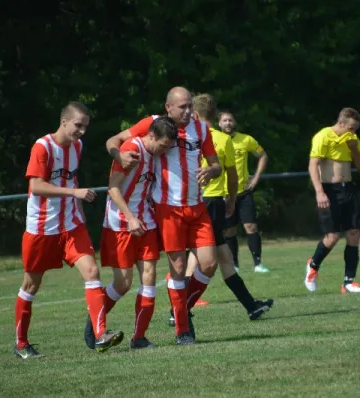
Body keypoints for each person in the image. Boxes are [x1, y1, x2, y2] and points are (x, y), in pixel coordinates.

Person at [106, 87, 221, 345]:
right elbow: (113, 140)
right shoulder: (154, 124)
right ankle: (183, 330)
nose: (188, 111)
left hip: (197, 206)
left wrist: (211, 171)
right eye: (182, 107)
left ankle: (180, 309)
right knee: (178, 269)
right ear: (168, 107)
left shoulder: (201, 129)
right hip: (168, 208)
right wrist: (119, 154)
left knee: (209, 264)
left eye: (190, 106)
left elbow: (216, 164)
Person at [14, 101, 122, 359]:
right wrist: (75, 193)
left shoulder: (78, 146)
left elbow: (70, 178)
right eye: (78, 125)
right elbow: (37, 186)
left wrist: (79, 213)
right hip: (42, 227)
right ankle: (20, 344)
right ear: (64, 121)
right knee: (31, 285)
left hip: (71, 225)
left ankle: (100, 336)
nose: (82, 131)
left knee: (92, 271)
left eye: (85, 126)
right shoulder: (43, 147)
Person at [83, 116, 178, 350]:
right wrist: (131, 217)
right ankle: (95, 325)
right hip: (121, 223)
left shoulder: (155, 152)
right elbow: (113, 189)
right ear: (152, 136)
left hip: (145, 222)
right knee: (123, 283)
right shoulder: (131, 150)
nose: (165, 151)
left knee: (149, 276)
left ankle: (139, 338)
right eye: (163, 146)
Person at [177, 93, 273, 320]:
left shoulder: (186, 137)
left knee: (223, 257)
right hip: (212, 203)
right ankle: (179, 310)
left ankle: (251, 306)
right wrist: (231, 200)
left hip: (195, 201)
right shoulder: (222, 139)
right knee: (204, 258)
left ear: (196, 114)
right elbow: (232, 176)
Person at [304, 108, 360, 294]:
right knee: (332, 237)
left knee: (354, 233)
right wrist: (319, 192)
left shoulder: (353, 140)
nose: (353, 132)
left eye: (356, 129)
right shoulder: (324, 135)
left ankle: (348, 282)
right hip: (329, 191)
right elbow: (313, 165)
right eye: (351, 128)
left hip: (348, 189)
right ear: (341, 124)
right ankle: (313, 267)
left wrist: (354, 148)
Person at [220, 112, 270, 273]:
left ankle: (258, 263)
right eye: (224, 120)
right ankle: (234, 264)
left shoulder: (246, 139)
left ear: (234, 122)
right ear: (219, 124)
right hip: (224, 194)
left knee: (251, 227)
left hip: (243, 192)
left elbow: (262, 155)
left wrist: (255, 179)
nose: (227, 123)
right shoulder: (215, 140)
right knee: (229, 230)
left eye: (230, 120)